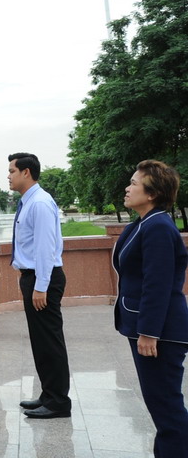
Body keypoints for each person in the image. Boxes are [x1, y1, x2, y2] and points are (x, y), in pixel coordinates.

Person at [114, 160, 188, 456]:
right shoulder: (144, 223)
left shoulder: (157, 226)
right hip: (152, 328)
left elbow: (158, 285)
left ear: (153, 193)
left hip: (161, 332)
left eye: (134, 182)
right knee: (162, 406)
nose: (127, 187)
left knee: (166, 408)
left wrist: (148, 332)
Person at [8, 152, 71, 419]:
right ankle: (49, 394)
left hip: (42, 278)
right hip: (32, 277)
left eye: (12, 171)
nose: (8, 176)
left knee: (49, 341)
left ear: (26, 173)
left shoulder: (40, 203)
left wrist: (40, 286)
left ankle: (58, 402)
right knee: (40, 341)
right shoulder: (29, 202)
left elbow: (46, 248)